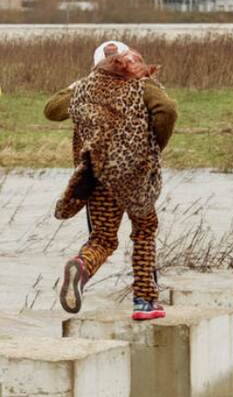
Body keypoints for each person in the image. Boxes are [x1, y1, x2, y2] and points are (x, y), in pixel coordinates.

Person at [45, 41, 177, 321]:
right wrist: (154, 146)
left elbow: (51, 109)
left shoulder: (84, 88)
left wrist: (76, 85)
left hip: (98, 174)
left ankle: (80, 268)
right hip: (136, 174)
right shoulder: (143, 84)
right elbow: (167, 110)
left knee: (103, 239)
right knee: (143, 230)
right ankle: (144, 301)